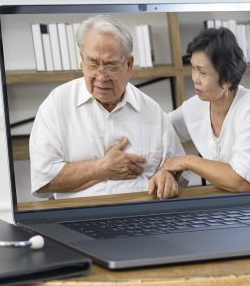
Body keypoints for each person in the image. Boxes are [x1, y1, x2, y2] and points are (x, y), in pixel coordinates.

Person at [29, 15, 185, 200]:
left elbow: (177, 169)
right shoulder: (56, 104)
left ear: (129, 64)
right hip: (80, 216)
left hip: (142, 215)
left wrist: (168, 175)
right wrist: (101, 169)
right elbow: (43, 180)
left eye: (111, 65)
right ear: (81, 60)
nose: (101, 76)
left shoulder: (152, 110)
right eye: (93, 64)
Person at [160, 27, 250, 193]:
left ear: (227, 79)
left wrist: (187, 161)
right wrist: (166, 171)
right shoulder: (194, 106)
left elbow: (242, 182)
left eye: (202, 72)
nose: (195, 79)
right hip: (226, 203)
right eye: (193, 68)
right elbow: (160, 129)